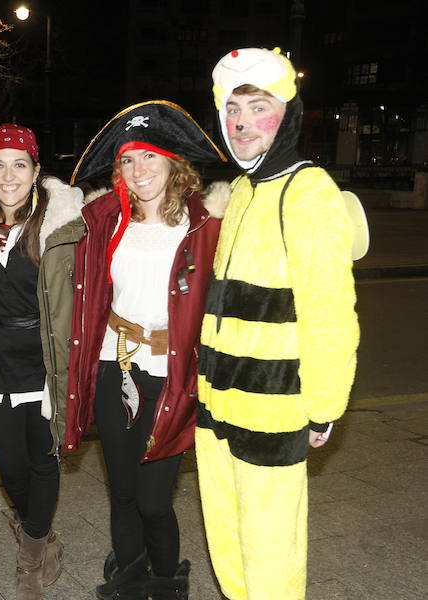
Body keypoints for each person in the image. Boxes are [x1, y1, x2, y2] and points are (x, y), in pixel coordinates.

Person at [196, 48, 359, 600]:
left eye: (258, 108)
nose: (241, 125)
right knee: (227, 536)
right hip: (219, 401)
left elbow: (330, 311)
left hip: (272, 407)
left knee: (269, 548)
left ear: (287, 115)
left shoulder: (308, 191)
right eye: (232, 111)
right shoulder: (243, 190)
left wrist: (324, 405)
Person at [65, 101, 229, 600]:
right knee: (123, 490)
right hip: (116, 367)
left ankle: (165, 575)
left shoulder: (206, 223)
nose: (140, 172)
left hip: (174, 375)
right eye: (129, 161)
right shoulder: (105, 218)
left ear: (174, 163)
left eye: (150, 158)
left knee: (155, 500)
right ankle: (131, 573)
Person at [0, 124, 83, 599]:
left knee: (43, 462)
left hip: (44, 361)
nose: (9, 175)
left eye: (19, 164)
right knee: (10, 466)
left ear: (36, 171)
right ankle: (42, 532)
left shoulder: (62, 225)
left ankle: (30, 562)